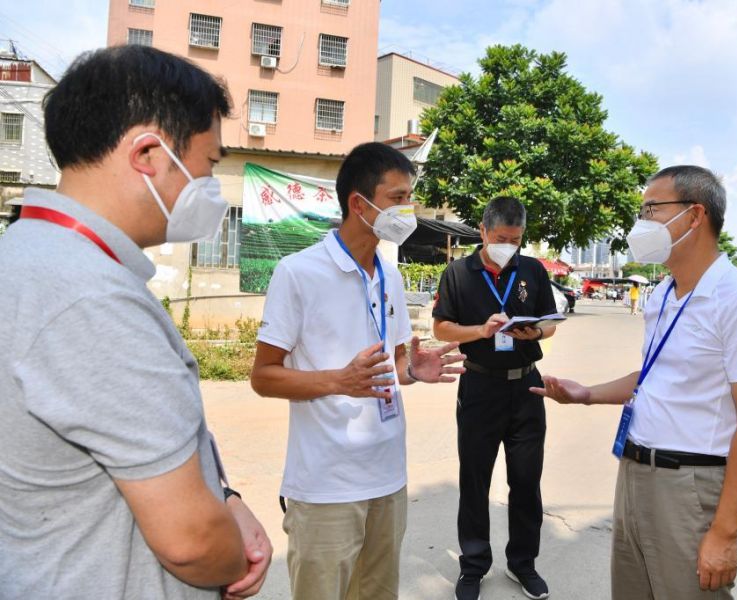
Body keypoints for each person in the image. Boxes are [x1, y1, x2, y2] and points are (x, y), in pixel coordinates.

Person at [0, 46, 272, 599]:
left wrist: (226, 498)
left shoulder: (35, 257)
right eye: (210, 163)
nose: (210, 184)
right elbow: (191, 542)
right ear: (148, 153)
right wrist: (233, 555)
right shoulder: (90, 299)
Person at [532, 166, 737, 599]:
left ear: (694, 216)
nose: (641, 222)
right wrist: (587, 395)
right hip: (634, 472)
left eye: (652, 209)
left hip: (688, 484)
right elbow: (652, 376)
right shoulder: (664, 293)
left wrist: (725, 533)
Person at [250, 142, 465, 600]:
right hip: (327, 484)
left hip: (388, 476)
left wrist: (412, 371)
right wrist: (337, 381)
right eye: (398, 198)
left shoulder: (391, 274)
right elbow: (263, 376)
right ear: (358, 203)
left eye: (411, 198)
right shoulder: (298, 272)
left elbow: (393, 366)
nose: (408, 210)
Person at [433, 196, 558, 600]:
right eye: (502, 237)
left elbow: (550, 324)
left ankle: (523, 564)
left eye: (517, 239)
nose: (509, 245)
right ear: (484, 231)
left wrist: (534, 332)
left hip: (526, 387)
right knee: (475, 479)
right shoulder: (458, 273)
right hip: (480, 387)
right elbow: (442, 329)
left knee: (525, 481)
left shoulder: (533, 270)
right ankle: (473, 565)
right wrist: (480, 332)